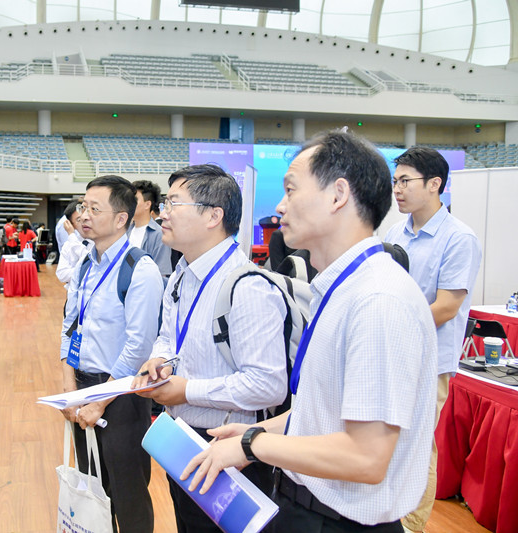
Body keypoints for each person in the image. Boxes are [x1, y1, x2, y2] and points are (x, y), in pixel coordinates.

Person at [180, 130, 438, 532]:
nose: (280, 206)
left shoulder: (378, 299)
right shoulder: (341, 288)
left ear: (338, 195)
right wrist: (260, 429)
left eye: (291, 189)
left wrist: (252, 445)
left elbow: (365, 458)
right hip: (304, 507)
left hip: (338, 522)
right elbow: (323, 414)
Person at [132, 164, 288, 533]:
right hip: (181, 437)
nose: (164, 213)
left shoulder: (247, 286)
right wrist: (160, 358)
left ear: (213, 216)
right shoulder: (181, 274)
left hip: (228, 447)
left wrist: (187, 390)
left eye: (174, 203)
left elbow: (268, 385)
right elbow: (168, 335)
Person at [384, 146, 482, 533]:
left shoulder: (459, 238)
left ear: (434, 184)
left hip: (428, 360)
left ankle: (412, 525)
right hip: (391, 353)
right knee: (389, 438)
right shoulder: (395, 233)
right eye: (395, 181)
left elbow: (446, 307)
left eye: (405, 181)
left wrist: (390, 325)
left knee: (417, 445)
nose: (397, 189)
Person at [59, 175, 164, 532]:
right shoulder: (85, 264)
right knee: (93, 489)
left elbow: (138, 347)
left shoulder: (141, 269)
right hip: (83, 391)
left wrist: (100, 400)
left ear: (121, 218)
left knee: (128, 493)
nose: (83, 215)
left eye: (94, 208)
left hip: (121, 395)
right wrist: (70, 392)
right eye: (83, 206)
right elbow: (69, 326)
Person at [129, 180, 172, 277]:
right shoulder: (126, 231)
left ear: (147, 204)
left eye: (134, 200)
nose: (129, 203)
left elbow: (161, 274)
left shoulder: (159, 234)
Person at [56, 199, 90, 287]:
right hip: (74, 293)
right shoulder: (68, 244)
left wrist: (74, 271)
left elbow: (91, 262)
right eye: (78, 219)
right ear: (72, 225)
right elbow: (61, 274)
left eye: (85, 216)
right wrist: (85, 270)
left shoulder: (100, 241)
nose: (84, 221)